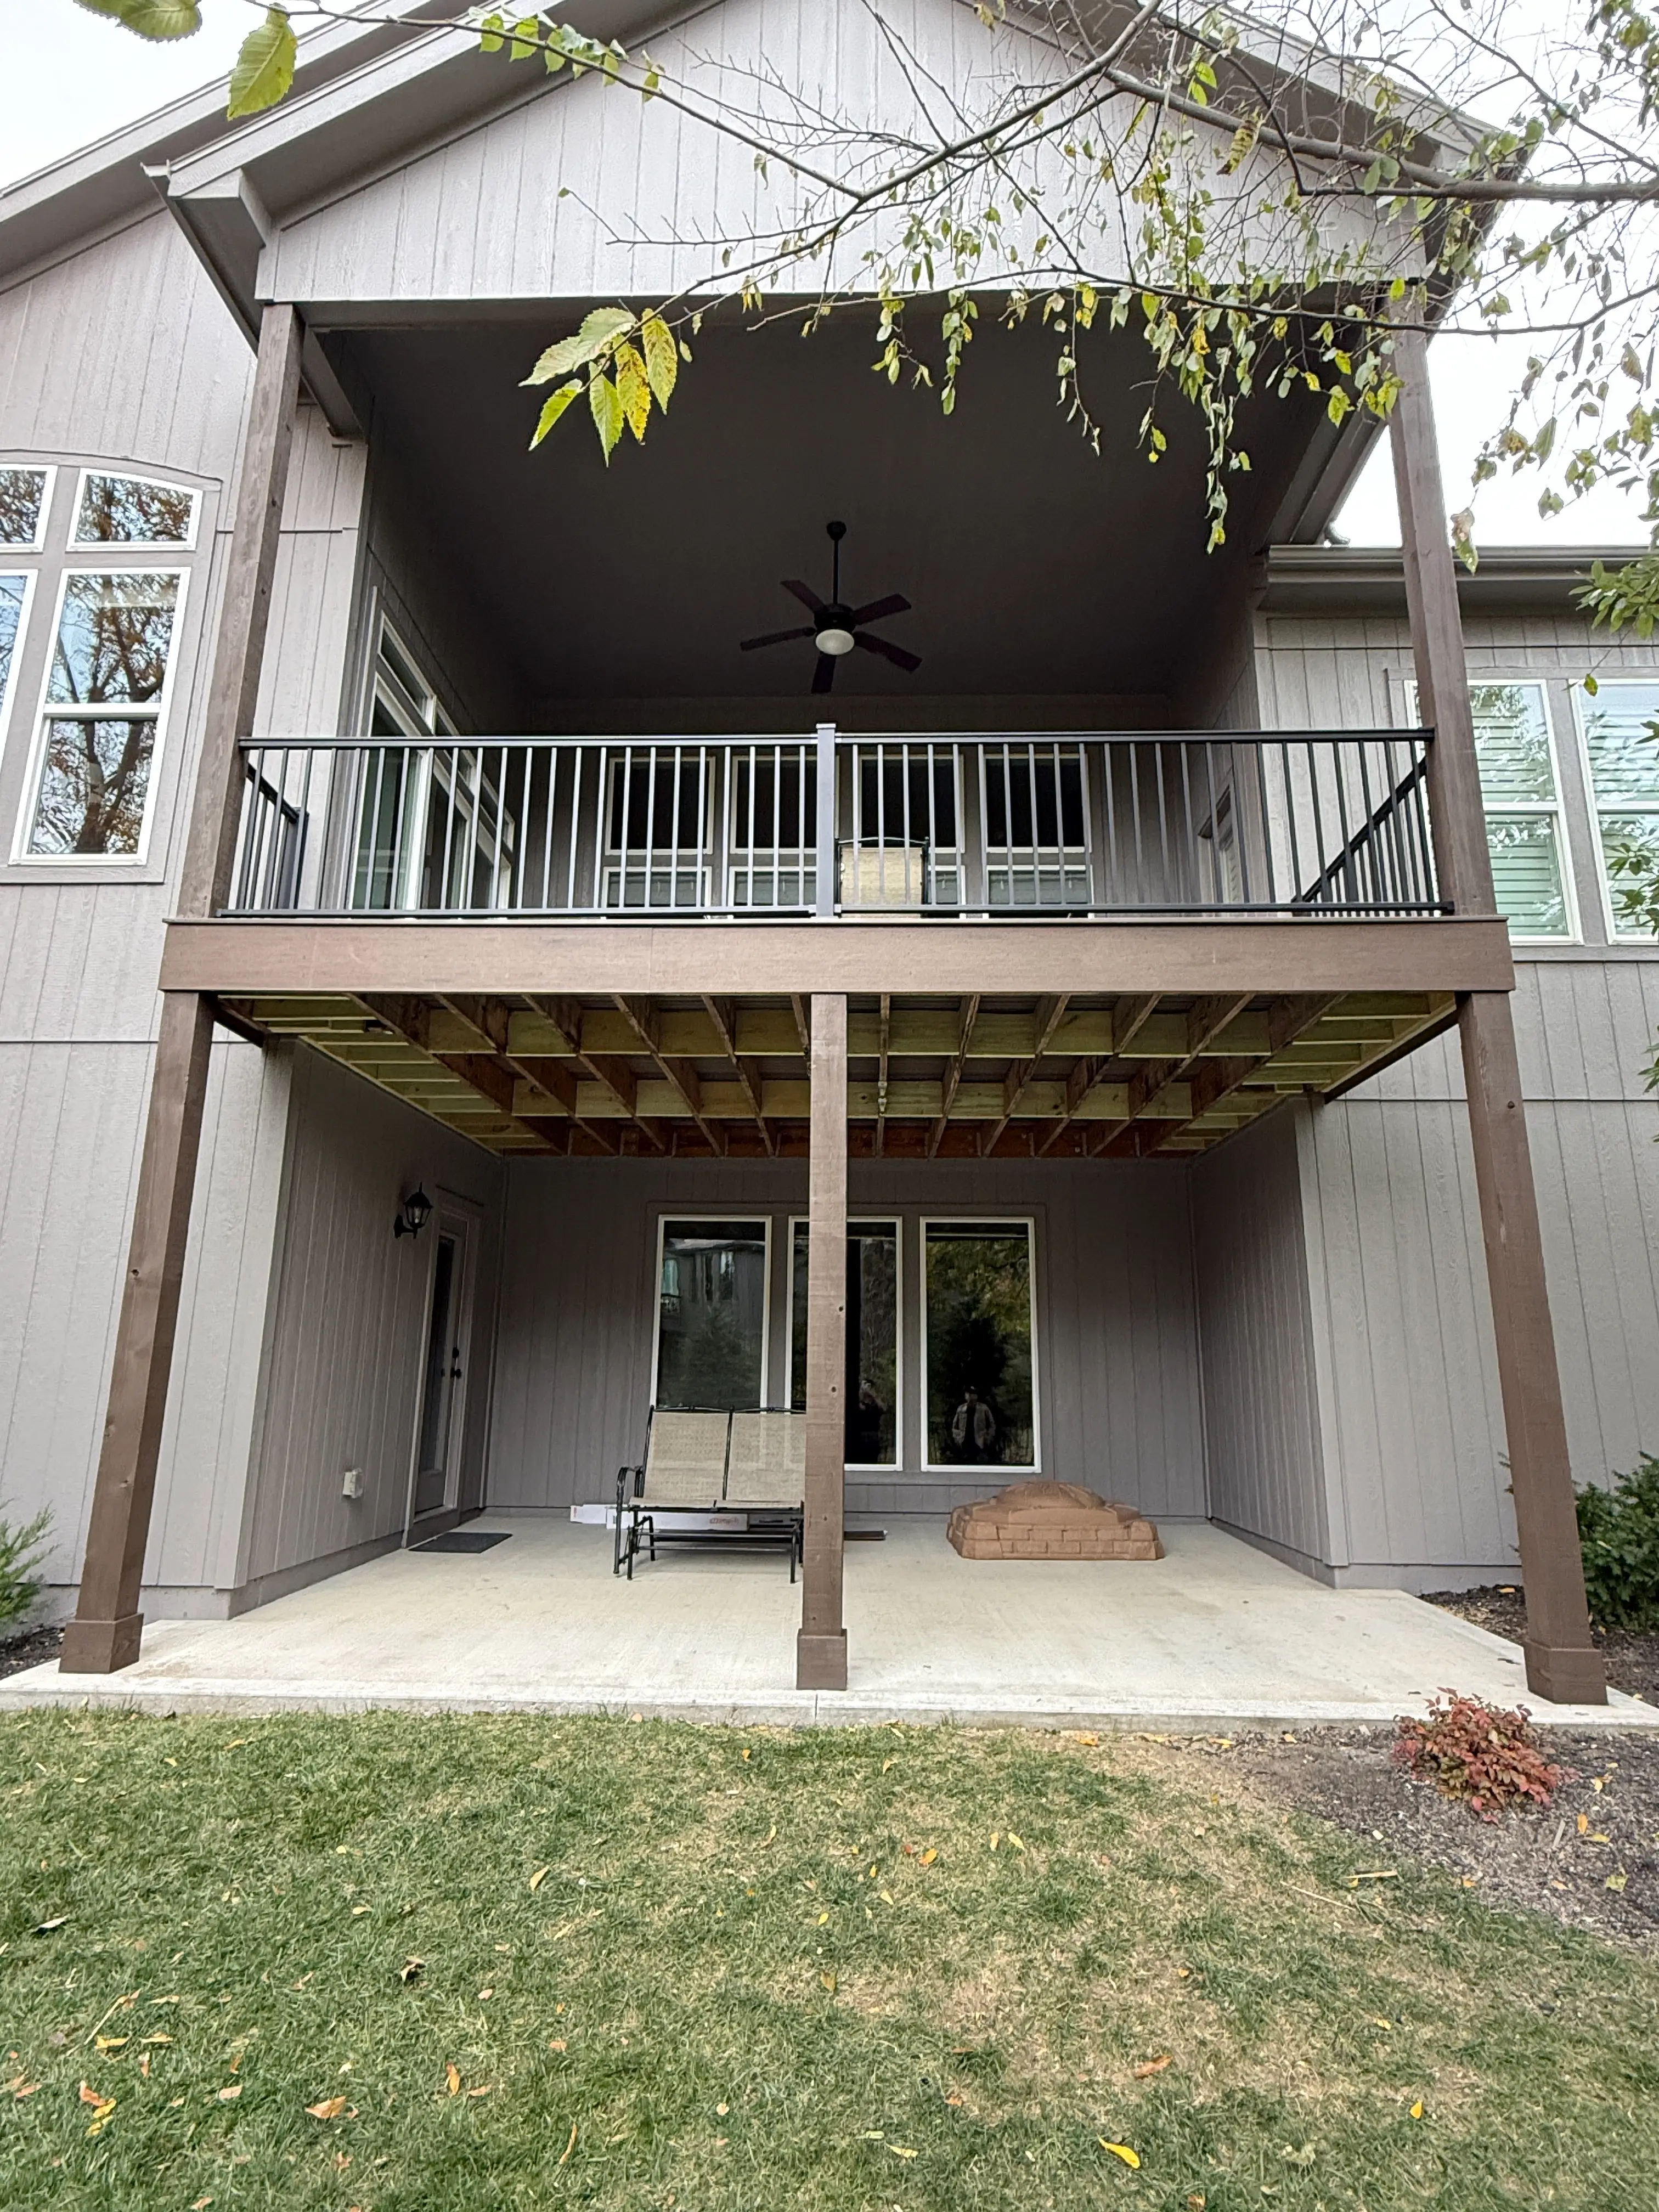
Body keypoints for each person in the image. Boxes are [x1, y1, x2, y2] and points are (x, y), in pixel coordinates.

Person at [950, 1384, 998, 1463]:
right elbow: (955, 1426)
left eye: (972, 1394)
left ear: (976, 1396)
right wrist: (957, 1438)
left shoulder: (983, 1408)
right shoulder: (961, 1409)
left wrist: (988, 1438)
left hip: (979, 1443)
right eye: (968, 1394)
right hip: (964, 1443)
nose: (970, 1396)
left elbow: (992, 1424)